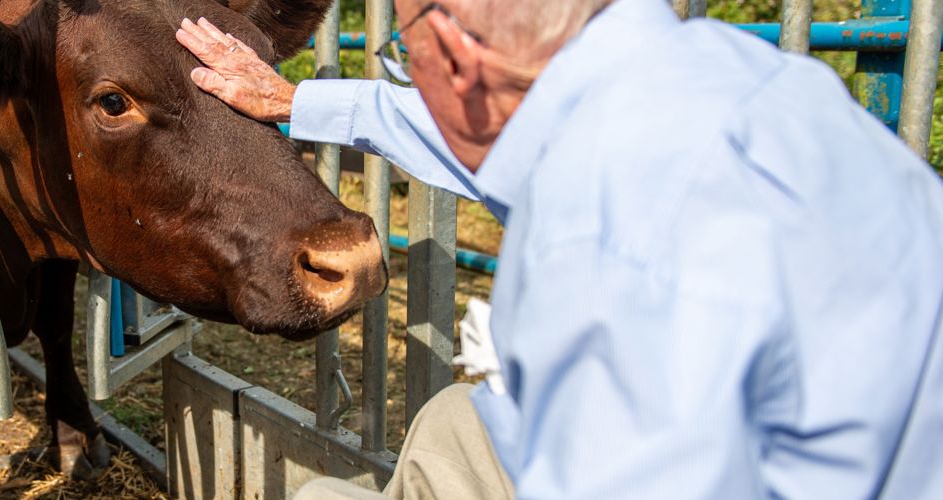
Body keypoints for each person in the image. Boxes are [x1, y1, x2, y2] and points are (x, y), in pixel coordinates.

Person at [176, 0, 943, 498]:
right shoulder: (730, 76)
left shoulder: (600, 240)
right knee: (456, 420)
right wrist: (295, 101)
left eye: (409, 59)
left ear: (456, 55)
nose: (418, 86)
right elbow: (480, 129)